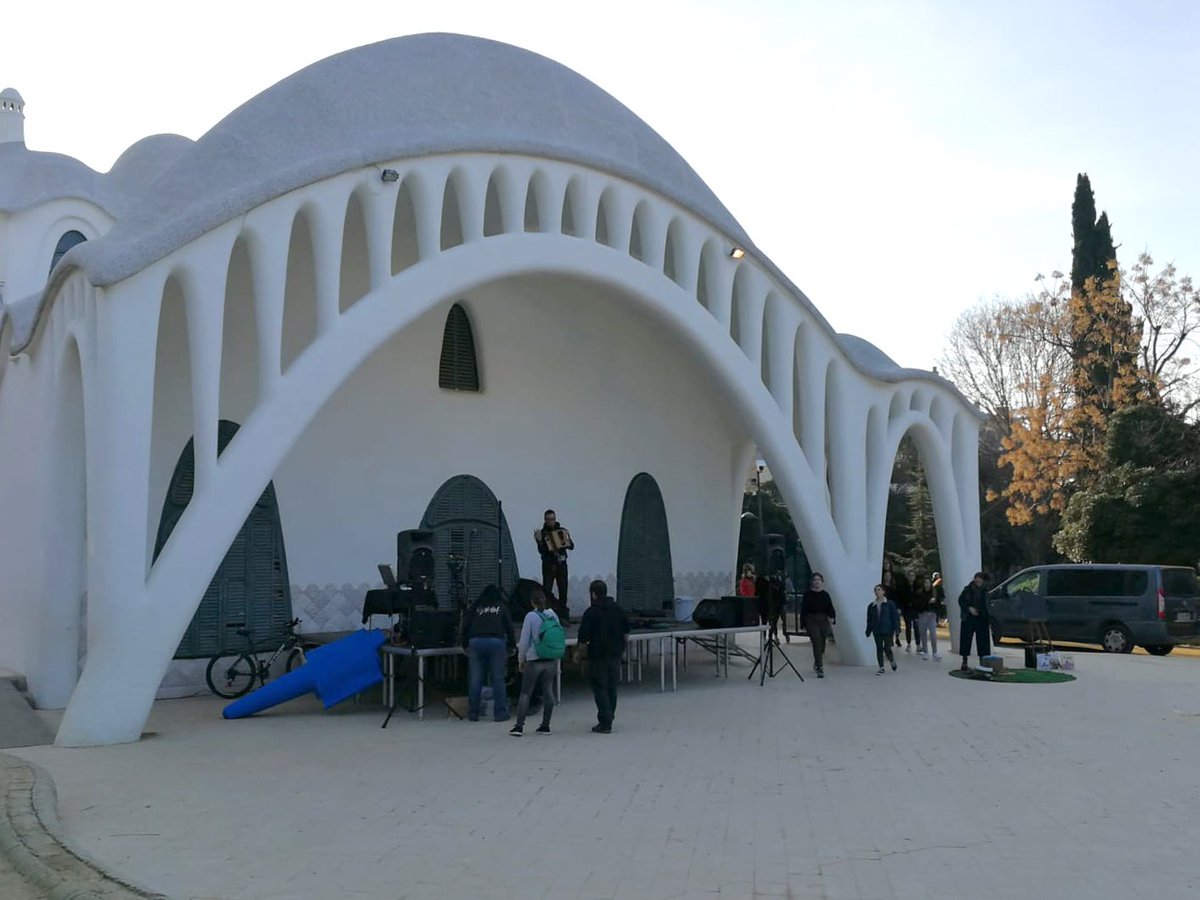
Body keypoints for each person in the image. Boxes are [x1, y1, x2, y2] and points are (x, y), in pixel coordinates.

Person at [578, 580, 630, 734]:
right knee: (612, 687)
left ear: (593, 593)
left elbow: (583, 637)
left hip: (597, 656)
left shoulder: (591, 612)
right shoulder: (618, 609)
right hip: (615, 654)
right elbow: (627, 631)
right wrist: (621, 648)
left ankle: (605, 722)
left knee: (600, 687)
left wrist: (580, 654)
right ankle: (610, 716)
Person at [509, 587, 560, 736]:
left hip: (534, 659)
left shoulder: (530, 616)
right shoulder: (553, 615)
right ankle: (545, 726)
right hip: (550, 659)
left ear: (532, 602)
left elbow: (524, 641)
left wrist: (521, 659)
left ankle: (519, 726)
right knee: (548, 691)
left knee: (526, 692)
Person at [461, 584, 515, 722]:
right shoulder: (501, 607)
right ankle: (500, 713)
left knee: (475, 679)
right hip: (496, 641)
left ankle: (473, 713)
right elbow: (509, 627)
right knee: (498, 679)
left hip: (476, 641)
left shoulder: (475, 607)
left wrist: (465, 644)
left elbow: (465, 625)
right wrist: (511, 645)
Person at [535, 509, 574, 623]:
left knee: (563, 590)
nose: (550, 522)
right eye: (548, 519)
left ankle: (563, 616)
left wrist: (567, 538)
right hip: (548, 565)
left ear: (555, 519)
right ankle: (546, 616)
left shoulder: (561, 531)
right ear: (545, 520)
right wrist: (539, 541)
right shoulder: (542, 533)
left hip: (561, 564)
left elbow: (571, 546)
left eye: (552, 519)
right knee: (547, 591)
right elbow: (541, 550)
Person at [799, 572, 836, 678]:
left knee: (823, 641)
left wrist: (832, 617)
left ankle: (817, 659)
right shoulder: (808, 594)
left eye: (819, 580)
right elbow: (803, 609)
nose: (817, 582)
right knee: (816, 641)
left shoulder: (825, 595)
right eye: (815, 580)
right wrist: (803, 623)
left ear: (822, 582)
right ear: (812, 581)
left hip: (823, 619)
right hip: (811, 619)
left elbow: (830, 607)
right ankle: (820, 667)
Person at [958, 571, 991, 671]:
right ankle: (964, 661)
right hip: (968, 617)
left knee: (983, 640)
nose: (978, 583)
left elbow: (987, 605)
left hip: (982, 618)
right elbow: (961, 601)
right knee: (966, 639)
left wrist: (984, 613)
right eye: (976, 580)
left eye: (980, 581)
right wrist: (969, 609)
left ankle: (983, 661)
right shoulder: (967, 589)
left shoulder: (986, 590)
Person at [865, 583, 900, 675]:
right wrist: (868, 630)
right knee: (879, 648)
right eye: (875, 590)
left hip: (888, 629)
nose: (877, 592)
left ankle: (891, 659)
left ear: (884, 591)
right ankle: (881, 667)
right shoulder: (872, 606)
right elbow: (870, 620)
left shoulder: (889, 604)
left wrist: (897, 628)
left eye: (879, 590)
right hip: (877, 630)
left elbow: (894, 616)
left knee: (887, 647)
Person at [912, 574, 941, 661]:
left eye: (928, 582)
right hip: (922, 614)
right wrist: (927, 602)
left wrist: (935, 603)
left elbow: (939, 604)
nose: (927, 584)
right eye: (926, 583)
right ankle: (925, 652)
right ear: (923, 584)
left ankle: (935, 652)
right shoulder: (919, 593)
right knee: (923, 634)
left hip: (932, 614)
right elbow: (917, 604)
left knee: (933, 634)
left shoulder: (934, 592)